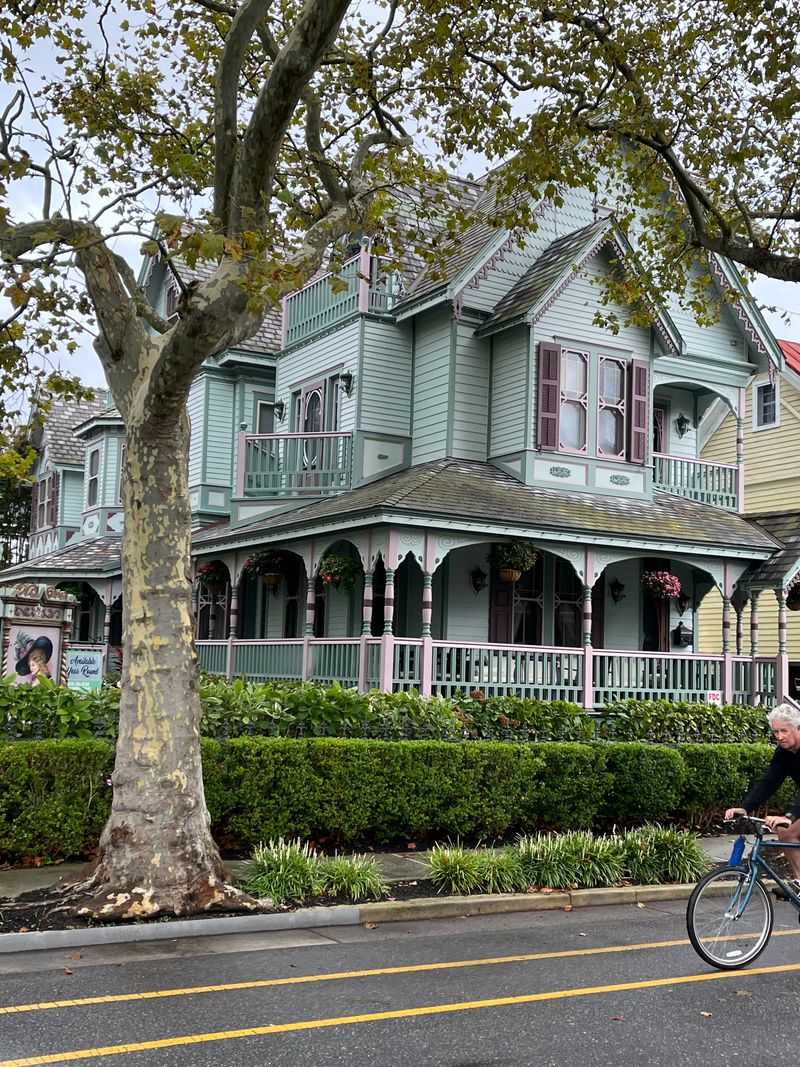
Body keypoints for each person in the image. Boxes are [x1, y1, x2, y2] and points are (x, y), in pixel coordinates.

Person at [725, 703, 800, 880]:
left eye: (784, 731)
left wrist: (789, 817)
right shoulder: (784, 752)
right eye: (775, 732)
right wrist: (745, 808)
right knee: (785, 833)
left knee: (789, 829)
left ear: (797, 727)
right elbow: (769, 781)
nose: (779, 737)